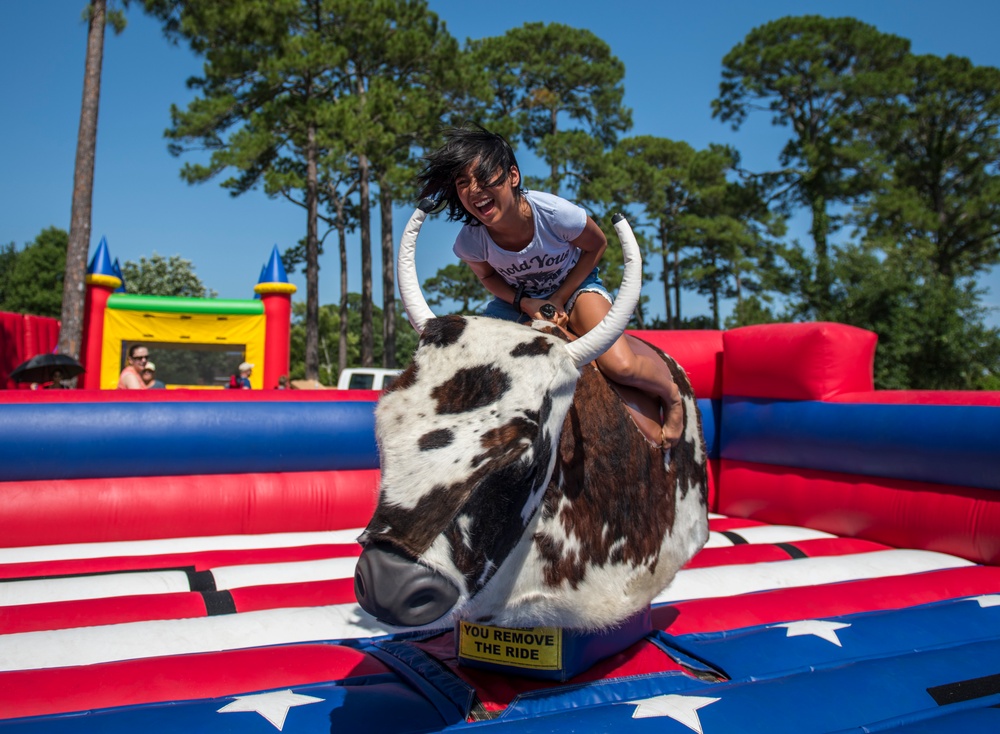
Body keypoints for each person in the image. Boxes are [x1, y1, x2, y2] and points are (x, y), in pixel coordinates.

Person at [417, 125, 683, 447]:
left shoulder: (556, 214)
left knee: (620, 365)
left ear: (513, 176)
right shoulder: (470, 242)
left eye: (485, 176)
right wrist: (524, 302)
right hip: (517, 302)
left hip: (574, 289)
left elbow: (596, 247)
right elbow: (488, 278)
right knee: (481, 369)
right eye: (463, 183)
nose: (475, 189)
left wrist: (559, 297)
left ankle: (673, 396)